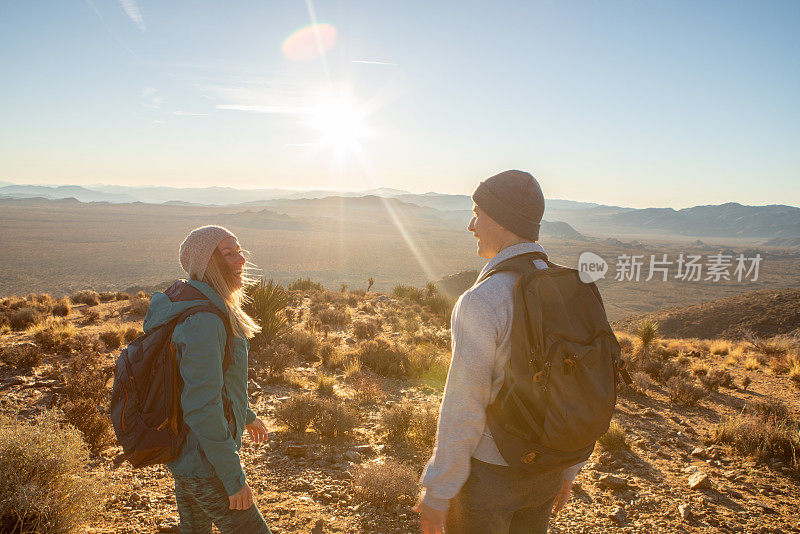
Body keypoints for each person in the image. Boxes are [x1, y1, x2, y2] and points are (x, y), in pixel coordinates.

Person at [413, 170, 584, 534]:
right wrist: (568, 469)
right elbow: (582, 388)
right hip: (548, 470)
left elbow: (465, 404)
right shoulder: (568, 289)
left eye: (478, 212)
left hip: (490, 479)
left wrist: (439, 490)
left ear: (504, 220)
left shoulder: (482, 300)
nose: (471, 225)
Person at [142, 225, 272, 534]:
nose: (241, 260)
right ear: (207, 262)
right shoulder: (205, 319)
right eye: (229, 253)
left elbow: (213, 380)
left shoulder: (205, 303)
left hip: (188, 455)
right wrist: (233, 478)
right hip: (203, 463)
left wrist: (247, 415)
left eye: (239, 251)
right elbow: (202, 406)